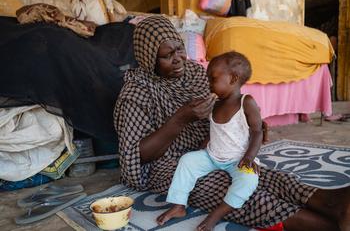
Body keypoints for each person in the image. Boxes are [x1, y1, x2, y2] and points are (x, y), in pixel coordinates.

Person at [114, 15, 350, 231]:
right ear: (148, 58)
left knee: (257, 175)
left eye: (180, 49)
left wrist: (246, 121)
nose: (179, 60)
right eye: (167, 56)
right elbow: (138, 155)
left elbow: (229, 100)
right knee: (220, 187)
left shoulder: (194, 73)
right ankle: (322, 225)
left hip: (213, 148)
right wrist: (180, 119)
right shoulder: (137, 92)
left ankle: (331, 201)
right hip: (167, 163)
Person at [156, 51, 262, 230]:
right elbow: (217, 130)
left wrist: (250, 157)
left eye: (213, 79)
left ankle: (217, 213)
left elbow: (257, 132)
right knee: (187, 161)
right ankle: (178, 205)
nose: (209, 84)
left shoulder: (246, 102)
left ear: (233, 78)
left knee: (249, 180)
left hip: (238, 159)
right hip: (212, 155)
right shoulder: (216, 103)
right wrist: (202, 147)